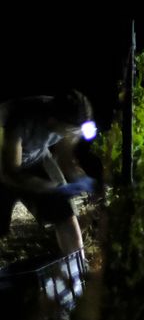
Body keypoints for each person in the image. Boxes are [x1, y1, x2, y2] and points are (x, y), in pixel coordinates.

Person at [0, 91, 97, 256]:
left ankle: (77, 272)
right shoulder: (19, 120)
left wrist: (80, 181)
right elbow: (12, 173)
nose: (74, 134)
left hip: (37, 155)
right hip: (5, 164)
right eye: (70, 130)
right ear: (53, 121)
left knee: (65, 212)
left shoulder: (71, 117)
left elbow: (65, 154)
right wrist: (51, 187)